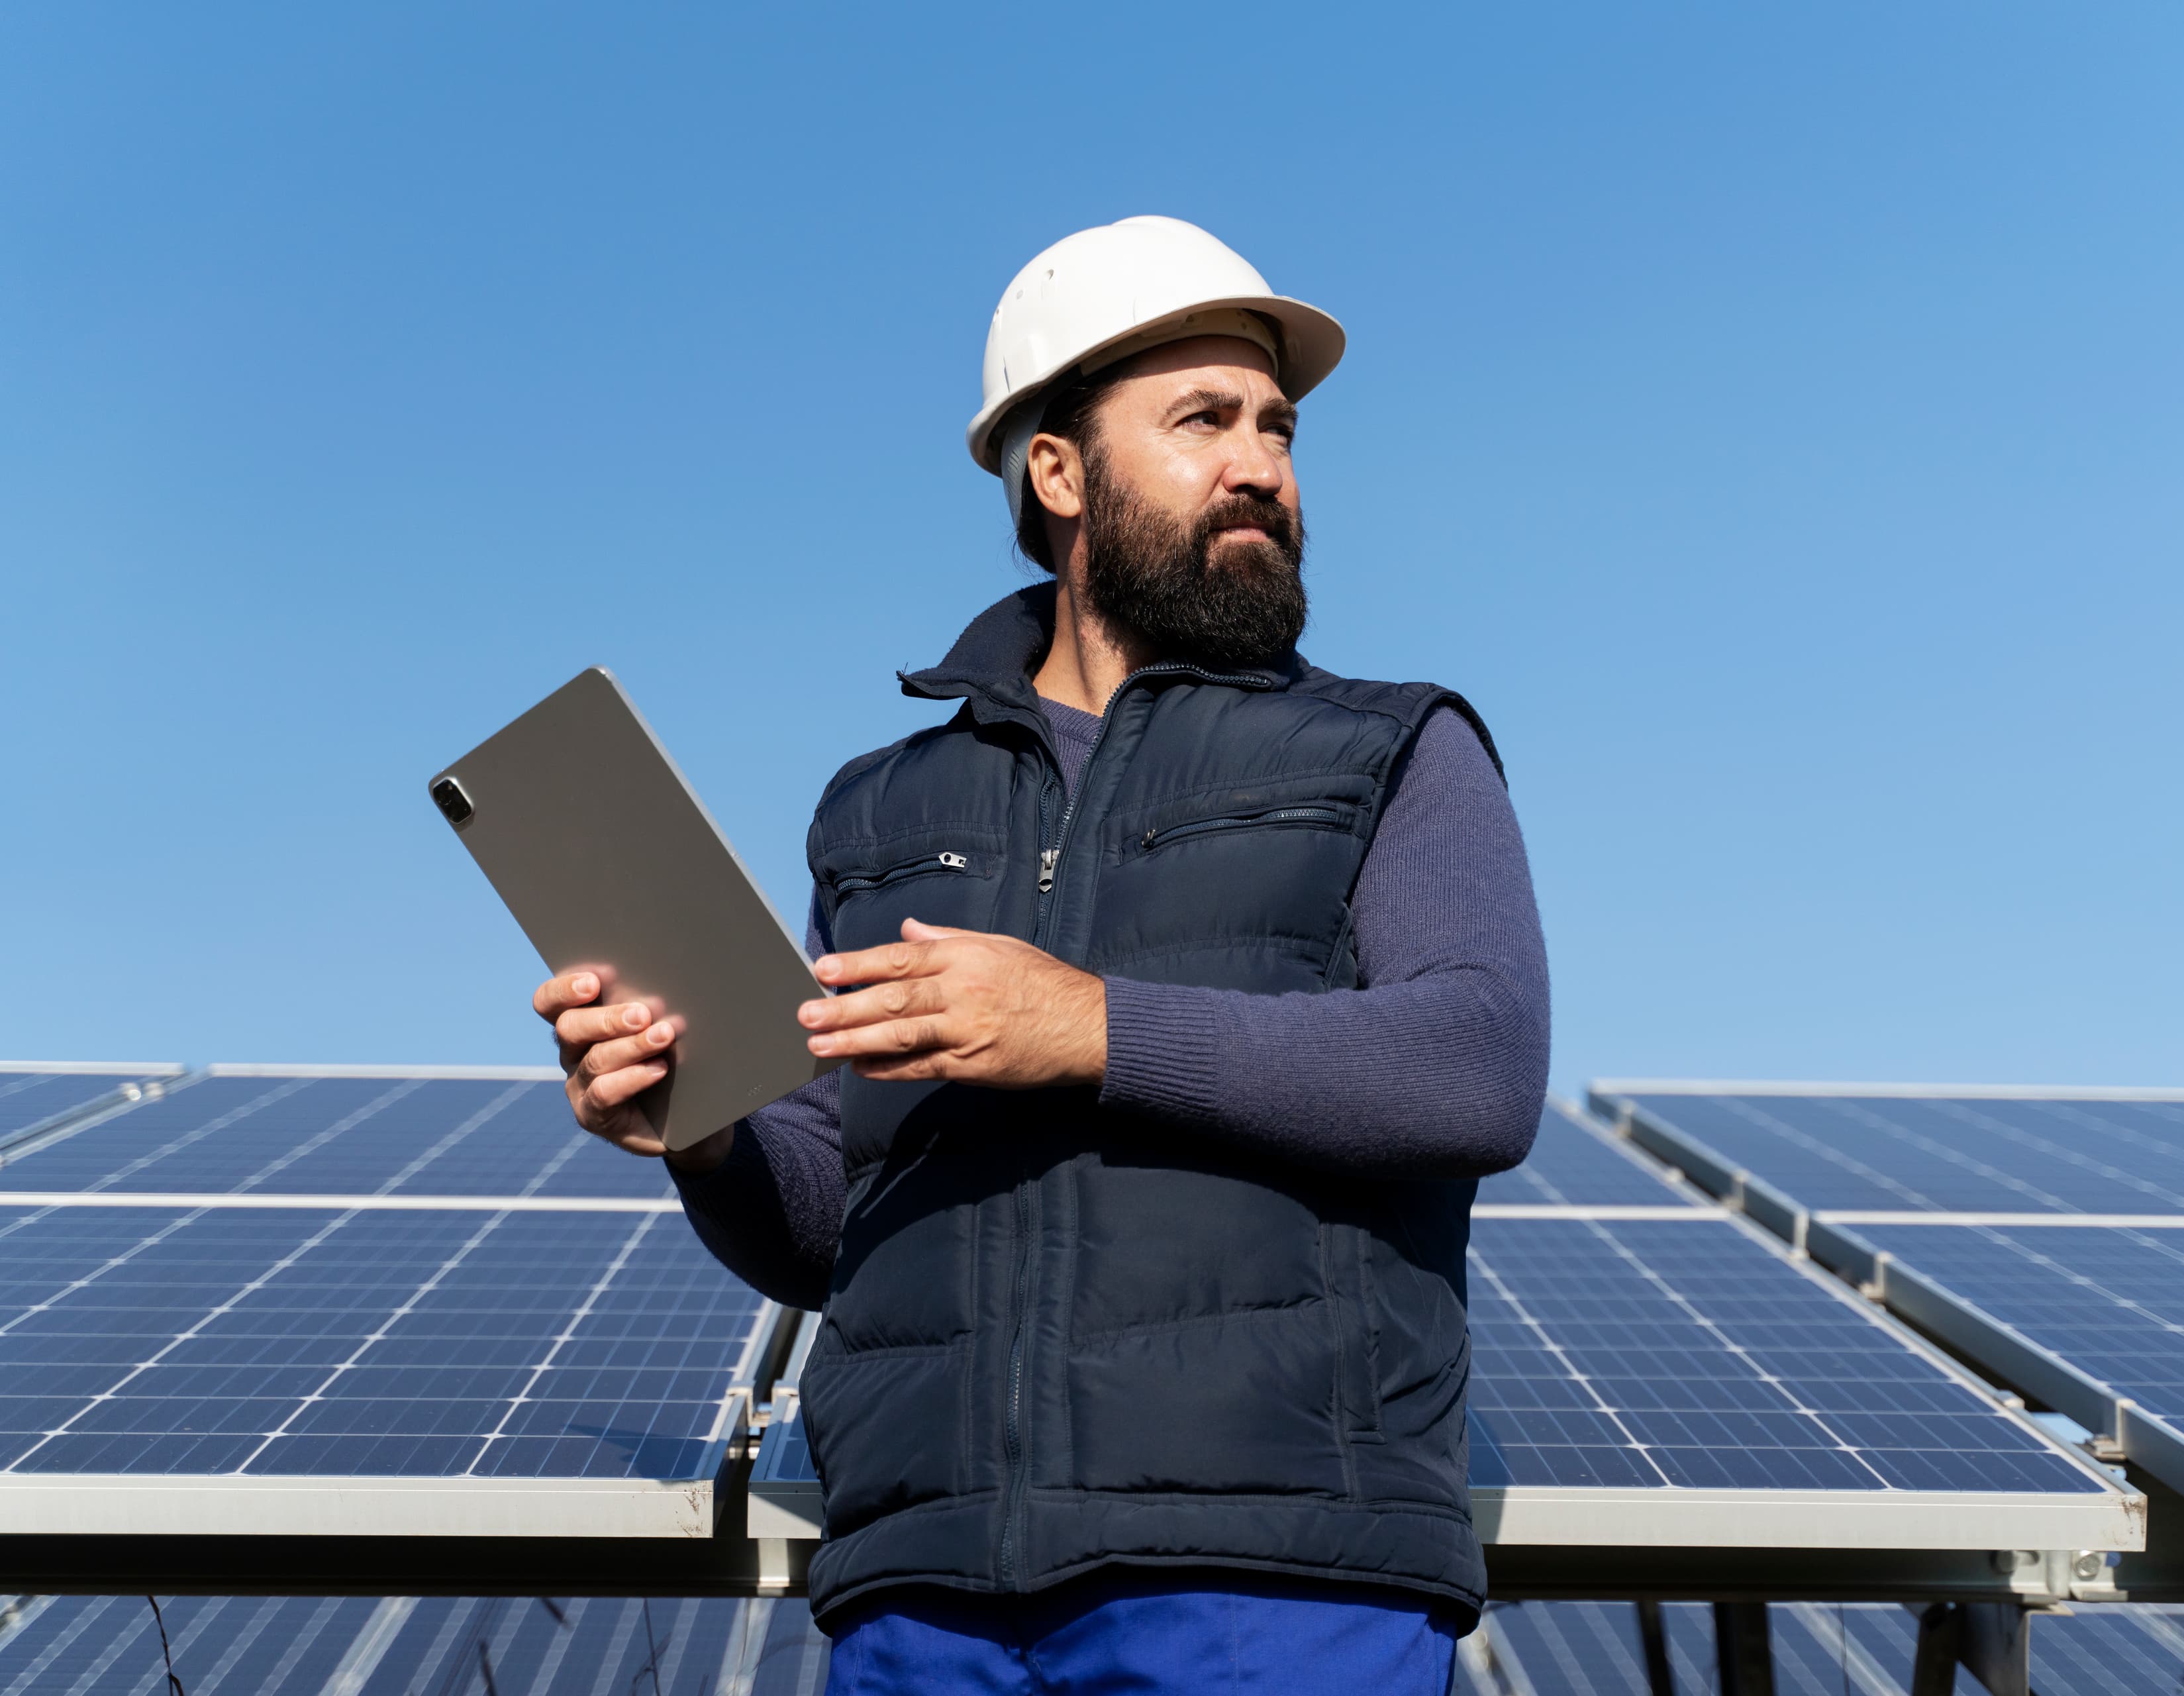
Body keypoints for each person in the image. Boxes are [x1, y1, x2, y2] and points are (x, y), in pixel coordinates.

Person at [532, 216, 1550, 1695]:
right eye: (1203, 420)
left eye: (1277, 426)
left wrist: (1091, 1027)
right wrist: (697, 1133)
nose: (1261, 461)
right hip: (923, 1594)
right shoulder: (881, 810)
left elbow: (1477, 1065)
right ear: (1059, 474)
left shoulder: (1395, 747)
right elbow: (826, 1221)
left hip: (1269, 1585)